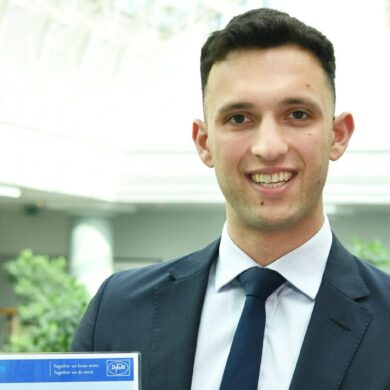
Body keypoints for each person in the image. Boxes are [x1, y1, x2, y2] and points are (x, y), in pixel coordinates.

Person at [71, 8, 390, 390]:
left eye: (298, 114)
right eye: (239, 118)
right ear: (204, 143)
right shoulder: (119, 309)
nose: (269, 147)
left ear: (338, 135)